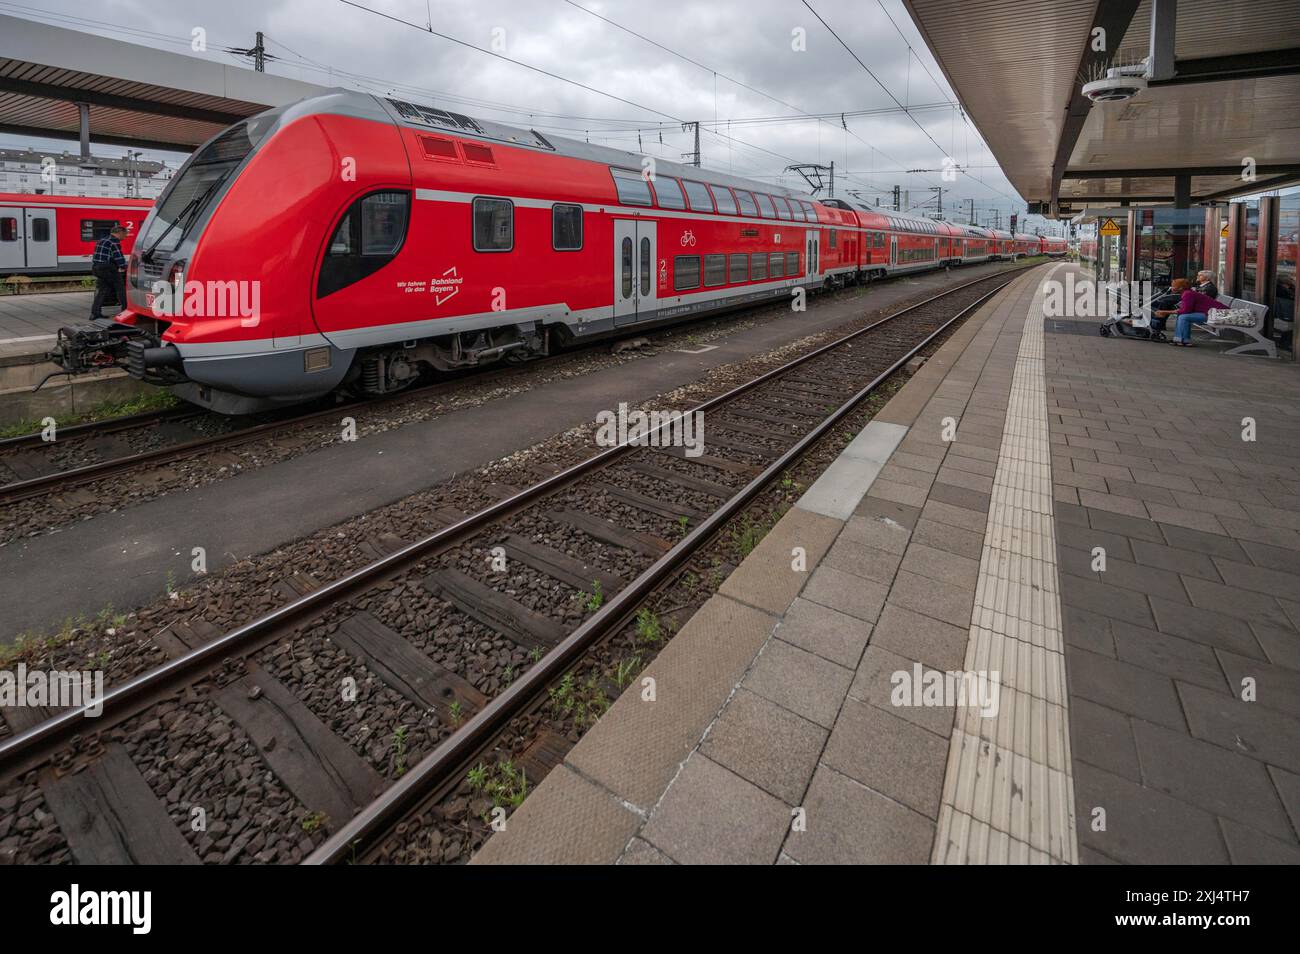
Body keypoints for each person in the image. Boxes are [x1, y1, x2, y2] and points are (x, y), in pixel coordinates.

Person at [1154, 278, 1221, 346]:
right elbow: (1185, 309)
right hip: (1213, 313)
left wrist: (1164, 312)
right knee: (1182, 316)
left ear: (1181, 288)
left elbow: (1185, 310)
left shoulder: (1188, 294)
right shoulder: (1188, 293)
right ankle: (1180, 339)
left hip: (1217, 314)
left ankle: (1183, 340)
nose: (1172, 288)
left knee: (1184, 317)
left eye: (1174, 286)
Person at [90, 225, 128, 322]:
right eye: (125, 234)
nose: (126, 236)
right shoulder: (114, 242)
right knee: (121, 289)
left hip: (97, 267)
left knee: (102, 290)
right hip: (108, 268)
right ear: (120, 232)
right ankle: (125, 312)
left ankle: (95, 313)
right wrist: (125, 267)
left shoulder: (102, 240)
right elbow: (118, 258)